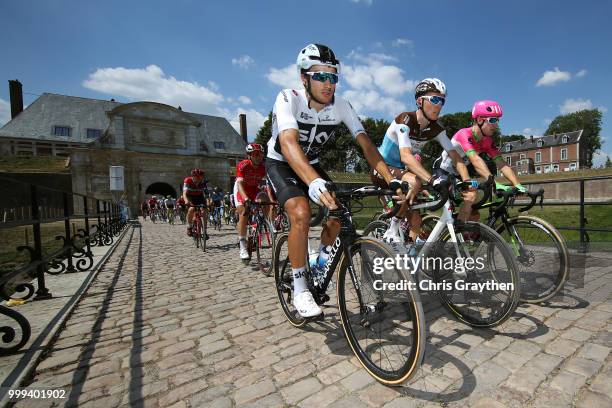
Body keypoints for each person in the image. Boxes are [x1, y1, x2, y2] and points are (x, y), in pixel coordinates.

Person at [266, 43, 404, 317]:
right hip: (282, 162)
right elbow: (289, 143)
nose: (328, 84)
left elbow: (366, 146)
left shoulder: (341, 105)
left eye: (333, 77)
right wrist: (313, 183)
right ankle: (300, 287)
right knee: (301, 213)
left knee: (339, 214)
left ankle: (321, 258)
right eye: (320, 76)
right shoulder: (288, 98)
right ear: (304, 78)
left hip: (312, 164)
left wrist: (391, 180)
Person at [374, 78, 471, 243]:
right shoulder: (405, 120)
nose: (439, 105)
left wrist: (467, 181)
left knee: (416, 220)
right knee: (416, 182)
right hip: (382, 168)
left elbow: (455, 156)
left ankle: (411, 257)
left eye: (442, 101)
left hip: (402, 172)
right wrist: (432, 180)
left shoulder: (436, 129)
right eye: (434, 99)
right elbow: (406, 156)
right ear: (420, 101)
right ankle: (392, 228)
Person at [435, 100, 526, 221]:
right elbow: (475, 160)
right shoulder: (464, 134)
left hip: (459, 174)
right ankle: (452, 233)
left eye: (497, 120)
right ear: (479, 120)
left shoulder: (487, 140)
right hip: (442, 171)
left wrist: (517, 184)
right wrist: (493, 182)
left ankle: (462, 234)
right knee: (469, 198)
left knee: (474, 214)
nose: (496, 125)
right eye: (492, 120)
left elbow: (501, 163)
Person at [235, 143, 267, 261]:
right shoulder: (243, 165)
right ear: (249, 156)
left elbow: (270, 183)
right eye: (255, 154)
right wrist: (245, 198)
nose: (259, 157)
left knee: (266, 201)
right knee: (244, 212)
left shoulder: (264, 167)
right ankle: (242, 246)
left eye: (260, 154)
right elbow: (239, 184)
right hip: (241, 189)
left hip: (254, 189)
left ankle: (262, 225)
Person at [183, 168, 209, 238]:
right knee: (191, 209)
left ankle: (205, 231)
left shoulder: (204, 182)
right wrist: (186, 201)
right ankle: (189, 226)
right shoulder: (188, 180)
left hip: (199, 196)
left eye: (201, 177)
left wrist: (209, 202)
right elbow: (184, 193)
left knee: (204, 212)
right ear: (193, 176)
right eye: (197, 177)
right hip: (190, 196)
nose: (199, 179)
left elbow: (207, 195)